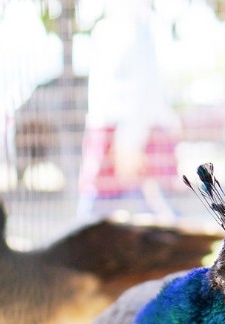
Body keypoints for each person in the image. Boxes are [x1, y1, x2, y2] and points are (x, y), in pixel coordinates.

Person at [77, 0, 180, 218]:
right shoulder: (116, 25)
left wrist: (129, 142)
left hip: (126, 142)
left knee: (95, 218)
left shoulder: (135, 27)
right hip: (114, 139)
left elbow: (143, 91)